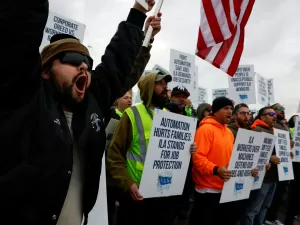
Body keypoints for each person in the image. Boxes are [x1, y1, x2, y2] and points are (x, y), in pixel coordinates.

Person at [0, 1, 162, 224]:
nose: (84, 66)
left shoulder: (92, 103)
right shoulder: (25, 99)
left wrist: (138, 11)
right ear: (45, 71)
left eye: (87, 62)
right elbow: (21, 28)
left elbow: (117, 63)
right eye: (73, 60)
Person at [189, 97, 239, 225]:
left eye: (231, 109)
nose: (230, 112)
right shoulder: (205, 130)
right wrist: (216, 170)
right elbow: (198, 158)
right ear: (215, 111)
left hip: (225, 189)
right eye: (226, 108)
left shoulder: (229, 133)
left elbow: (234, 158)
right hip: (207, 192)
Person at [240, 107, 278, 225]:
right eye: (271, 113)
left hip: (273, 178)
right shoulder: (256, 131)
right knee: (253, 209)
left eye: (274, 114)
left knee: (265, 207)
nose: (274, 116)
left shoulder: (275, 131)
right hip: (261, 179)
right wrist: (269, 157)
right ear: (262, 117)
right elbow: (248, 154)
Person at [265, 103, 293, 225]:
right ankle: (267, 218)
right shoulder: (271, 127)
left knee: (279, 195)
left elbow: (285, 147)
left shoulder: (285, 127)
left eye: (283, 108)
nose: (282, 110)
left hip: (284, 167)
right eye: (279, 109)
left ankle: (272, 217)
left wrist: (290, 151)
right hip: (271, 170)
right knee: (269, 197)